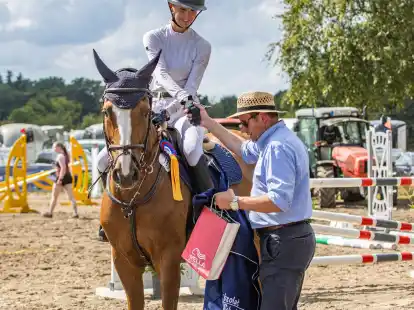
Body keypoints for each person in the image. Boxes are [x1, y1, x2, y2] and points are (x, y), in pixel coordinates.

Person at [186, 91, 316, 310]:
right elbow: (241, 148)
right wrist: (209, 122)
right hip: (285, 238)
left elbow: (279, 200)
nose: (243, 129)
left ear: (263, 118)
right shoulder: (272, 141)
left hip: (283, 240)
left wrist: (235, 202)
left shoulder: (276, 148)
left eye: (245, 123)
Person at [96, 0, 212, 240]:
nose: (188, 15)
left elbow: (192, 85)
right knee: (101, 159)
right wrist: (160, 110)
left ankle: (207, 210)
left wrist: (179, 103)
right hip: (152, 106)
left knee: (190, 150)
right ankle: (107, 216)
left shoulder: (202, 45)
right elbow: (159, 73)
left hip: (185, 110)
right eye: (182, 9)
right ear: (171, 7)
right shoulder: (154, 37)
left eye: (193, 11)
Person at [42, 142, 78, 218]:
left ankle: (50, 212)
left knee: (54, 196)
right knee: (71, 196)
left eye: (54, 147)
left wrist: (60, 179)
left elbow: (63, 168)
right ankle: (75, 213)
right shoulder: (67, 154)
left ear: (59, 147)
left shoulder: (60, 156)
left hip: (61, 177)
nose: (53, 149)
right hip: (68, 177)